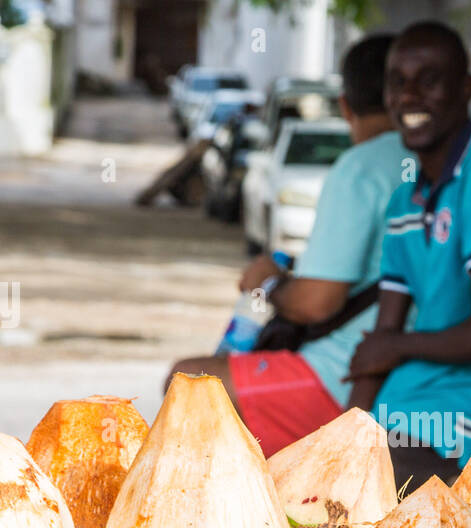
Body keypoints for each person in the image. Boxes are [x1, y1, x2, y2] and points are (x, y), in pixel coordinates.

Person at [166, 34, 412, 457]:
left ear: (345, 105)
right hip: (412, 374)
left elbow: (316, 303)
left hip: (344, 376)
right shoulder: (436, 162)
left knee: (187, 384)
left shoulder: (361, 168)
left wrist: (270, 284)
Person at [346, 21, 471, 469]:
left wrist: (397, 347)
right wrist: (340, 439)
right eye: (397, 83)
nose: (408, 97)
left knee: (379, 487)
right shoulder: (406, 199)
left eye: (429, 80)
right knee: (318, 487)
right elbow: (381, 341)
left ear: (466, 88)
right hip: (406, 405)